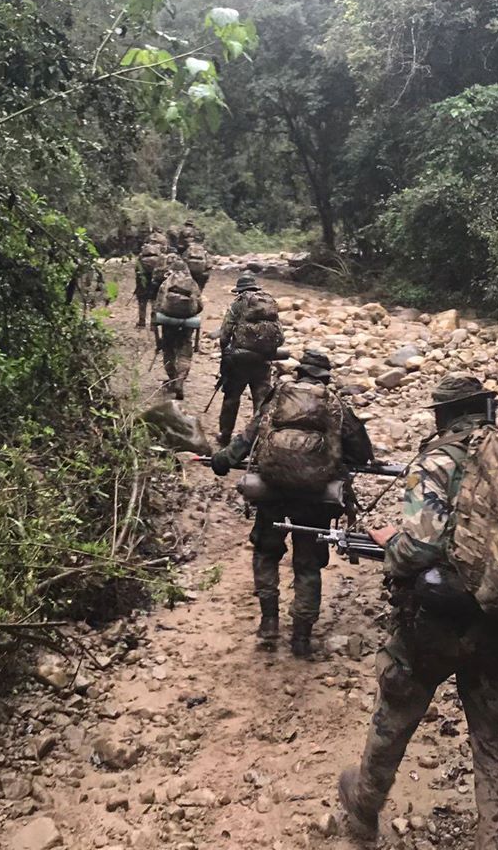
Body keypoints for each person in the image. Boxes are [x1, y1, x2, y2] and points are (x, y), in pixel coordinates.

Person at [338, 374, 498, 850]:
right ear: (485, 409)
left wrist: (390, 544)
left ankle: (365, 806)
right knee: (495, 740)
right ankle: (494, 840)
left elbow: (420, 549)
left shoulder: (436, 458)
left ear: (442, 415)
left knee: (396, 712)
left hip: (433, 624)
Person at [211, 350, 374, 657]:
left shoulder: (276, 397)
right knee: (308, 564)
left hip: (273, 490)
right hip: (315, 499)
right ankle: (301, 636)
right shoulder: (336, 404)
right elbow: (362, 453)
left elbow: (249, 437)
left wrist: (223, 460)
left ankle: (269, 622)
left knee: (266, 552)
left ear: (299, 373)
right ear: (325, 377)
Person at [216, 273, 284, 447]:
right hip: (264, 360)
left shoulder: (238, 304)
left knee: (232, 397)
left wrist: (226, 352)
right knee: (261, 400)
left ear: (240, 290)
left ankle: (225, 435)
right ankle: (259, 440)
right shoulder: (269, 303)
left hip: (239, 360)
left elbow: (225, 332)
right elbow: (280, 335)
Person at [153, 255, 202, 400]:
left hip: (168, 323)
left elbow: (158, 305)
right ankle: (180, 381)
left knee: (168, 350)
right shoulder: (192, 283)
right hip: (186, 323)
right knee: (185, 353)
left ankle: (172, 378)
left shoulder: (166, 282)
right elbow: (199, 306)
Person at [135, 230, 168, 328]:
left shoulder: (143, 251)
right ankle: (154, 323)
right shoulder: (163, 245)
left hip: (143, 277)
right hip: (156, 279)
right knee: (155, 300)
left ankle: (141, 322)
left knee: (142, 299)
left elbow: (137, 268)